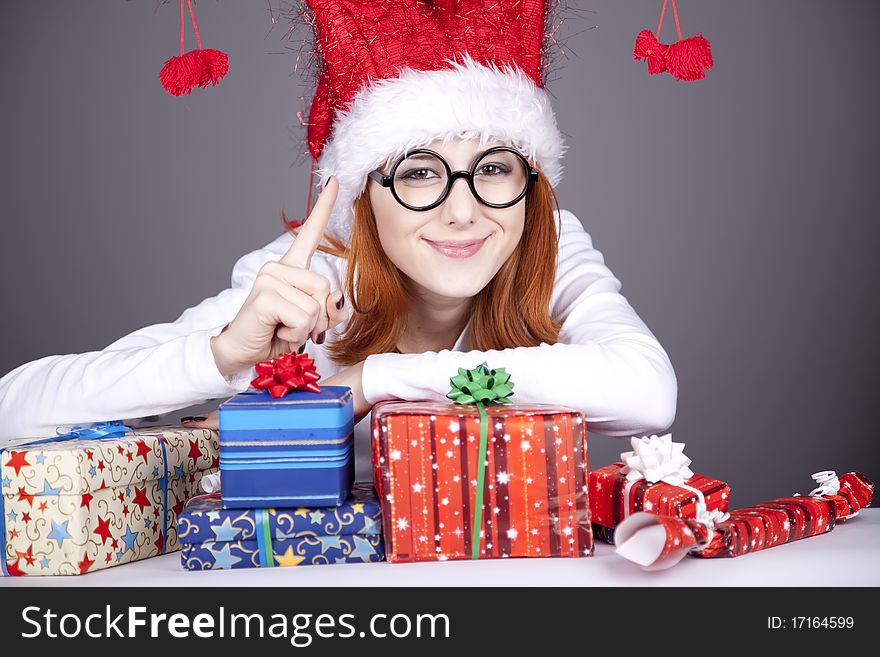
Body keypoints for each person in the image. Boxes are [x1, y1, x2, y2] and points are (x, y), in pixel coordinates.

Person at [0, 1, 677, 482]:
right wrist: (225, 352)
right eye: (419, 173)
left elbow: (648, 392)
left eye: (495, 168)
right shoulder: (309, 275)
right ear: (363, 192)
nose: (464, 210)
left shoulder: (546, 239)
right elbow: (15, 407)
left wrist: (370, 383)